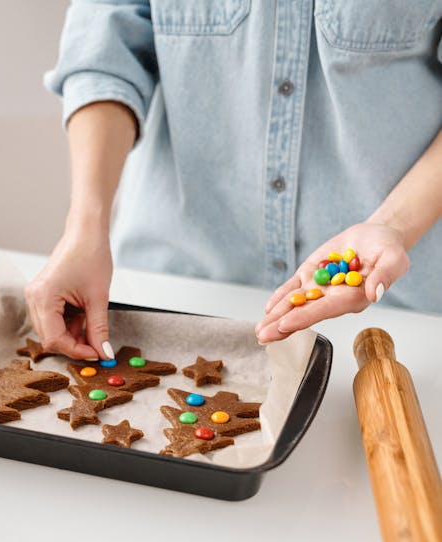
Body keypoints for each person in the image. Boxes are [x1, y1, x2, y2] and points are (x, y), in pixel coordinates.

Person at [25, 1, 442, 360]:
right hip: (167, 288)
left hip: (401, 315)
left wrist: (392, 227)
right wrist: (85, 228)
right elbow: (104, 47)